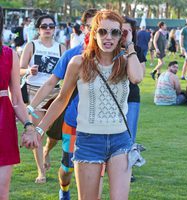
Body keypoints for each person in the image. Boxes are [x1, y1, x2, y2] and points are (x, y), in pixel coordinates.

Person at [31, 10, 143, 199]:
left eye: (115, 32)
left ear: (121, 35)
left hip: (120, 140)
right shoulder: (78, 62)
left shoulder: (126, 61)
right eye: (102, 31)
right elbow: (61, 99)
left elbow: (137, 77)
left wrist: (130, 43)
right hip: (89, 141)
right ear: (93, 33)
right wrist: (39, 130)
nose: (108, 37)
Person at [27, 8, 98, 199]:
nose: (96, 32)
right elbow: (51, 83)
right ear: (83, 29)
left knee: (96, 173)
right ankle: (64, 190)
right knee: (67, 168)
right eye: (92, 27)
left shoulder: (112, 55)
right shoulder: (72, 55)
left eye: (99, 27)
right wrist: (31, 106)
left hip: (100, 126)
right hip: (73, 121)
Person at [20, 14, 66, 184]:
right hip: (34, 91)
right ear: (38, 29)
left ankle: (47, 150)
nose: (48, 29)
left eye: (51, 26)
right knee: (36, 132)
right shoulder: (32, 46)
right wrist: (28, 71)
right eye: (44, 26)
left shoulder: (61, 48)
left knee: (54, 134)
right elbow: (19, 69)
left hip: (55, 94)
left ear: (55, 29)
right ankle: (41, 171)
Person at [0, 6, 38, 200]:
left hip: (3, 125)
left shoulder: (9, 54)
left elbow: (16, 98)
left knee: (1, 192)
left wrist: (29, 126)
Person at [122, 16, 146, 182]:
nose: (124, 34)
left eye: (127, 31)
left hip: (131, 97)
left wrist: (130, 52)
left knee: (129, 134)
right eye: (121, 30)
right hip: (112, 98)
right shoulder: (108, 49)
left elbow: (139, 76)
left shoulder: (137, 50)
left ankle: (127, 171)